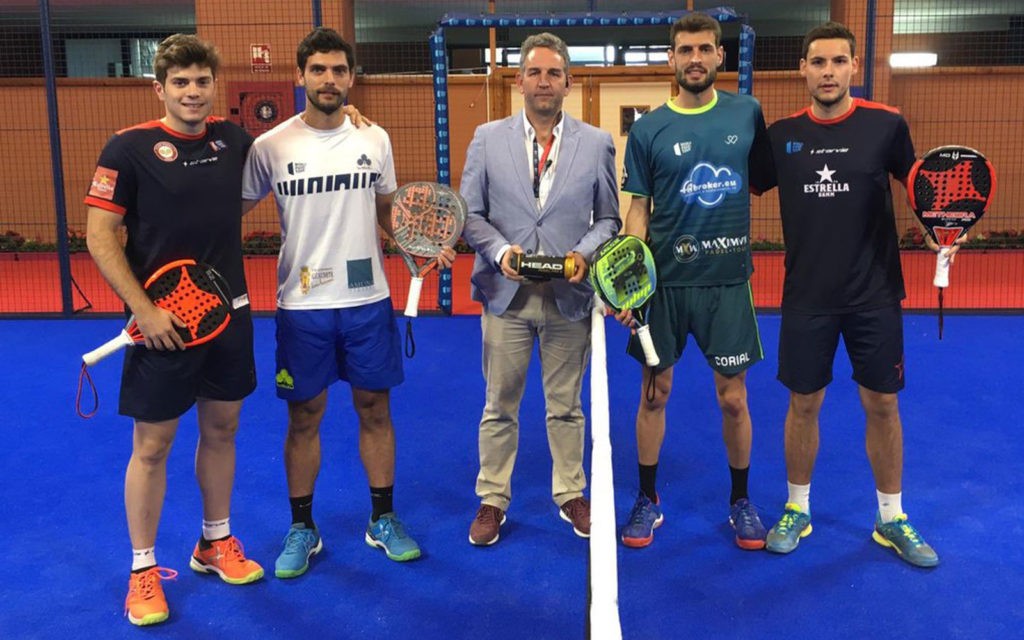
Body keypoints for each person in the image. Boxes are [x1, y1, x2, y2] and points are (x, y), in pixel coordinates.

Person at [242, 27, 453, 577]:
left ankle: (382, 518)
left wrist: (417, 245)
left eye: (339, 70)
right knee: (304, 416)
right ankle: (302, 527)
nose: (329, 79)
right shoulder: (270, 147)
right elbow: (229, 209)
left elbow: (388, 210)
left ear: (351, 77)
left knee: (375, 409)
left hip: (367, 301)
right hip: (302, 304)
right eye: (318, 70)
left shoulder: (374, 138)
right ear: (300, 75)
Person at [85, 34, 263, 627]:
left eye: (201, 81)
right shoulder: (127, 149)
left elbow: (297, 143)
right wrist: (145, 309)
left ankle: (215, 543)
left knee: (223, 428)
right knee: (153, 445)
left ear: (215, 87)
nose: (192, 91)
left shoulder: (234, 140)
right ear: (159, 88)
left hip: (228, 317)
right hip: (160, 325)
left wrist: (349, 113)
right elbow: (98, 234)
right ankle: (142, 569)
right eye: (180, 82)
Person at [753, 21, 939, 567]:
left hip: (875, 295)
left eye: (838, 61)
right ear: (803, 70)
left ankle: (891, 517)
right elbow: (741, 188)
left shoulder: (886, 125)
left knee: (882, 403)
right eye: (818, 62)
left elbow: (921, 190)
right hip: (806, 295)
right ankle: (797, 508)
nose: (828, 71)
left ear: (855, 67)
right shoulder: (781, 136)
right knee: (803, 403)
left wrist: (937, 227)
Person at [617, 14, 771, 550]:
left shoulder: (747, 113)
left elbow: (772, 180)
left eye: (705, 49)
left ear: (720, 57)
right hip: (664, 287)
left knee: (734, 400)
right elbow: (637, 210)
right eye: (685, 50)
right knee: (655, 392)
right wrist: (632, 284)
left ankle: (741, 501)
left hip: (728, 284)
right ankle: (647, 498)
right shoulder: (648, 128)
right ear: (671, 59)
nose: (695, 58)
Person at [460, 32, 620, 546]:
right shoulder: (487, 137)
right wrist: (501, 251)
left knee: (566, 406)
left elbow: (610, 219)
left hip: (568, 298)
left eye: (554, 73)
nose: (544, 81)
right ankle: (492, 498)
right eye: (535, 72)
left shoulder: (596, 142)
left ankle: (571, 492)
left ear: (569, 83)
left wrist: (583, 255)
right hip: (506, 297)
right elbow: (471, 214)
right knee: (498, 403)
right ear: (520, 81)